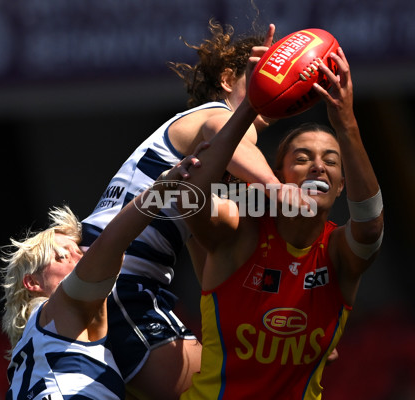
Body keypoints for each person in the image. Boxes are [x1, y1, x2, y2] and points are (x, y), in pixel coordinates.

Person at [78, 20, 280, 399]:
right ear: (226, 80)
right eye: (262, 76)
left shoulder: (205, 172)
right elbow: (231, 137)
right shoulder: (219, 117)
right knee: (233, 385)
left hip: (111, 282)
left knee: (235, 375)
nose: (274, 88)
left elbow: (205, 259)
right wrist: (279, 191)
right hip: (121, 283)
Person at [178, 46, 384, 399]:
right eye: (303, 158)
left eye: (331, 162)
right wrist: (250, 107)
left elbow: (369, 227)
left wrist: (346, 123)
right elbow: (191, 204)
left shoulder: (337, 253)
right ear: (278, 176)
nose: (318, 166)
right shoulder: (241, 234)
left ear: (339, 187)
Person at [0, 155, 202, 400]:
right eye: (64, 255)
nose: (81, 257)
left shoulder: (34, 349)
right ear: (33, 283)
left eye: (80, 250)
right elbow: (111, 243)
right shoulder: (61, 306)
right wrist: (161, 187)